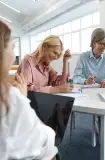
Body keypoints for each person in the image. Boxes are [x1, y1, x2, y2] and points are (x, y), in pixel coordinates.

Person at [0, 20, 58, 160]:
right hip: (34, 104)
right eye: (13, 47)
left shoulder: (47, 65)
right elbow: (28, 87)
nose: (56, 57)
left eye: (59, 55)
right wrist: (23, 100)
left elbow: (59, 82)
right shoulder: (28, 61)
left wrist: (65, 63)